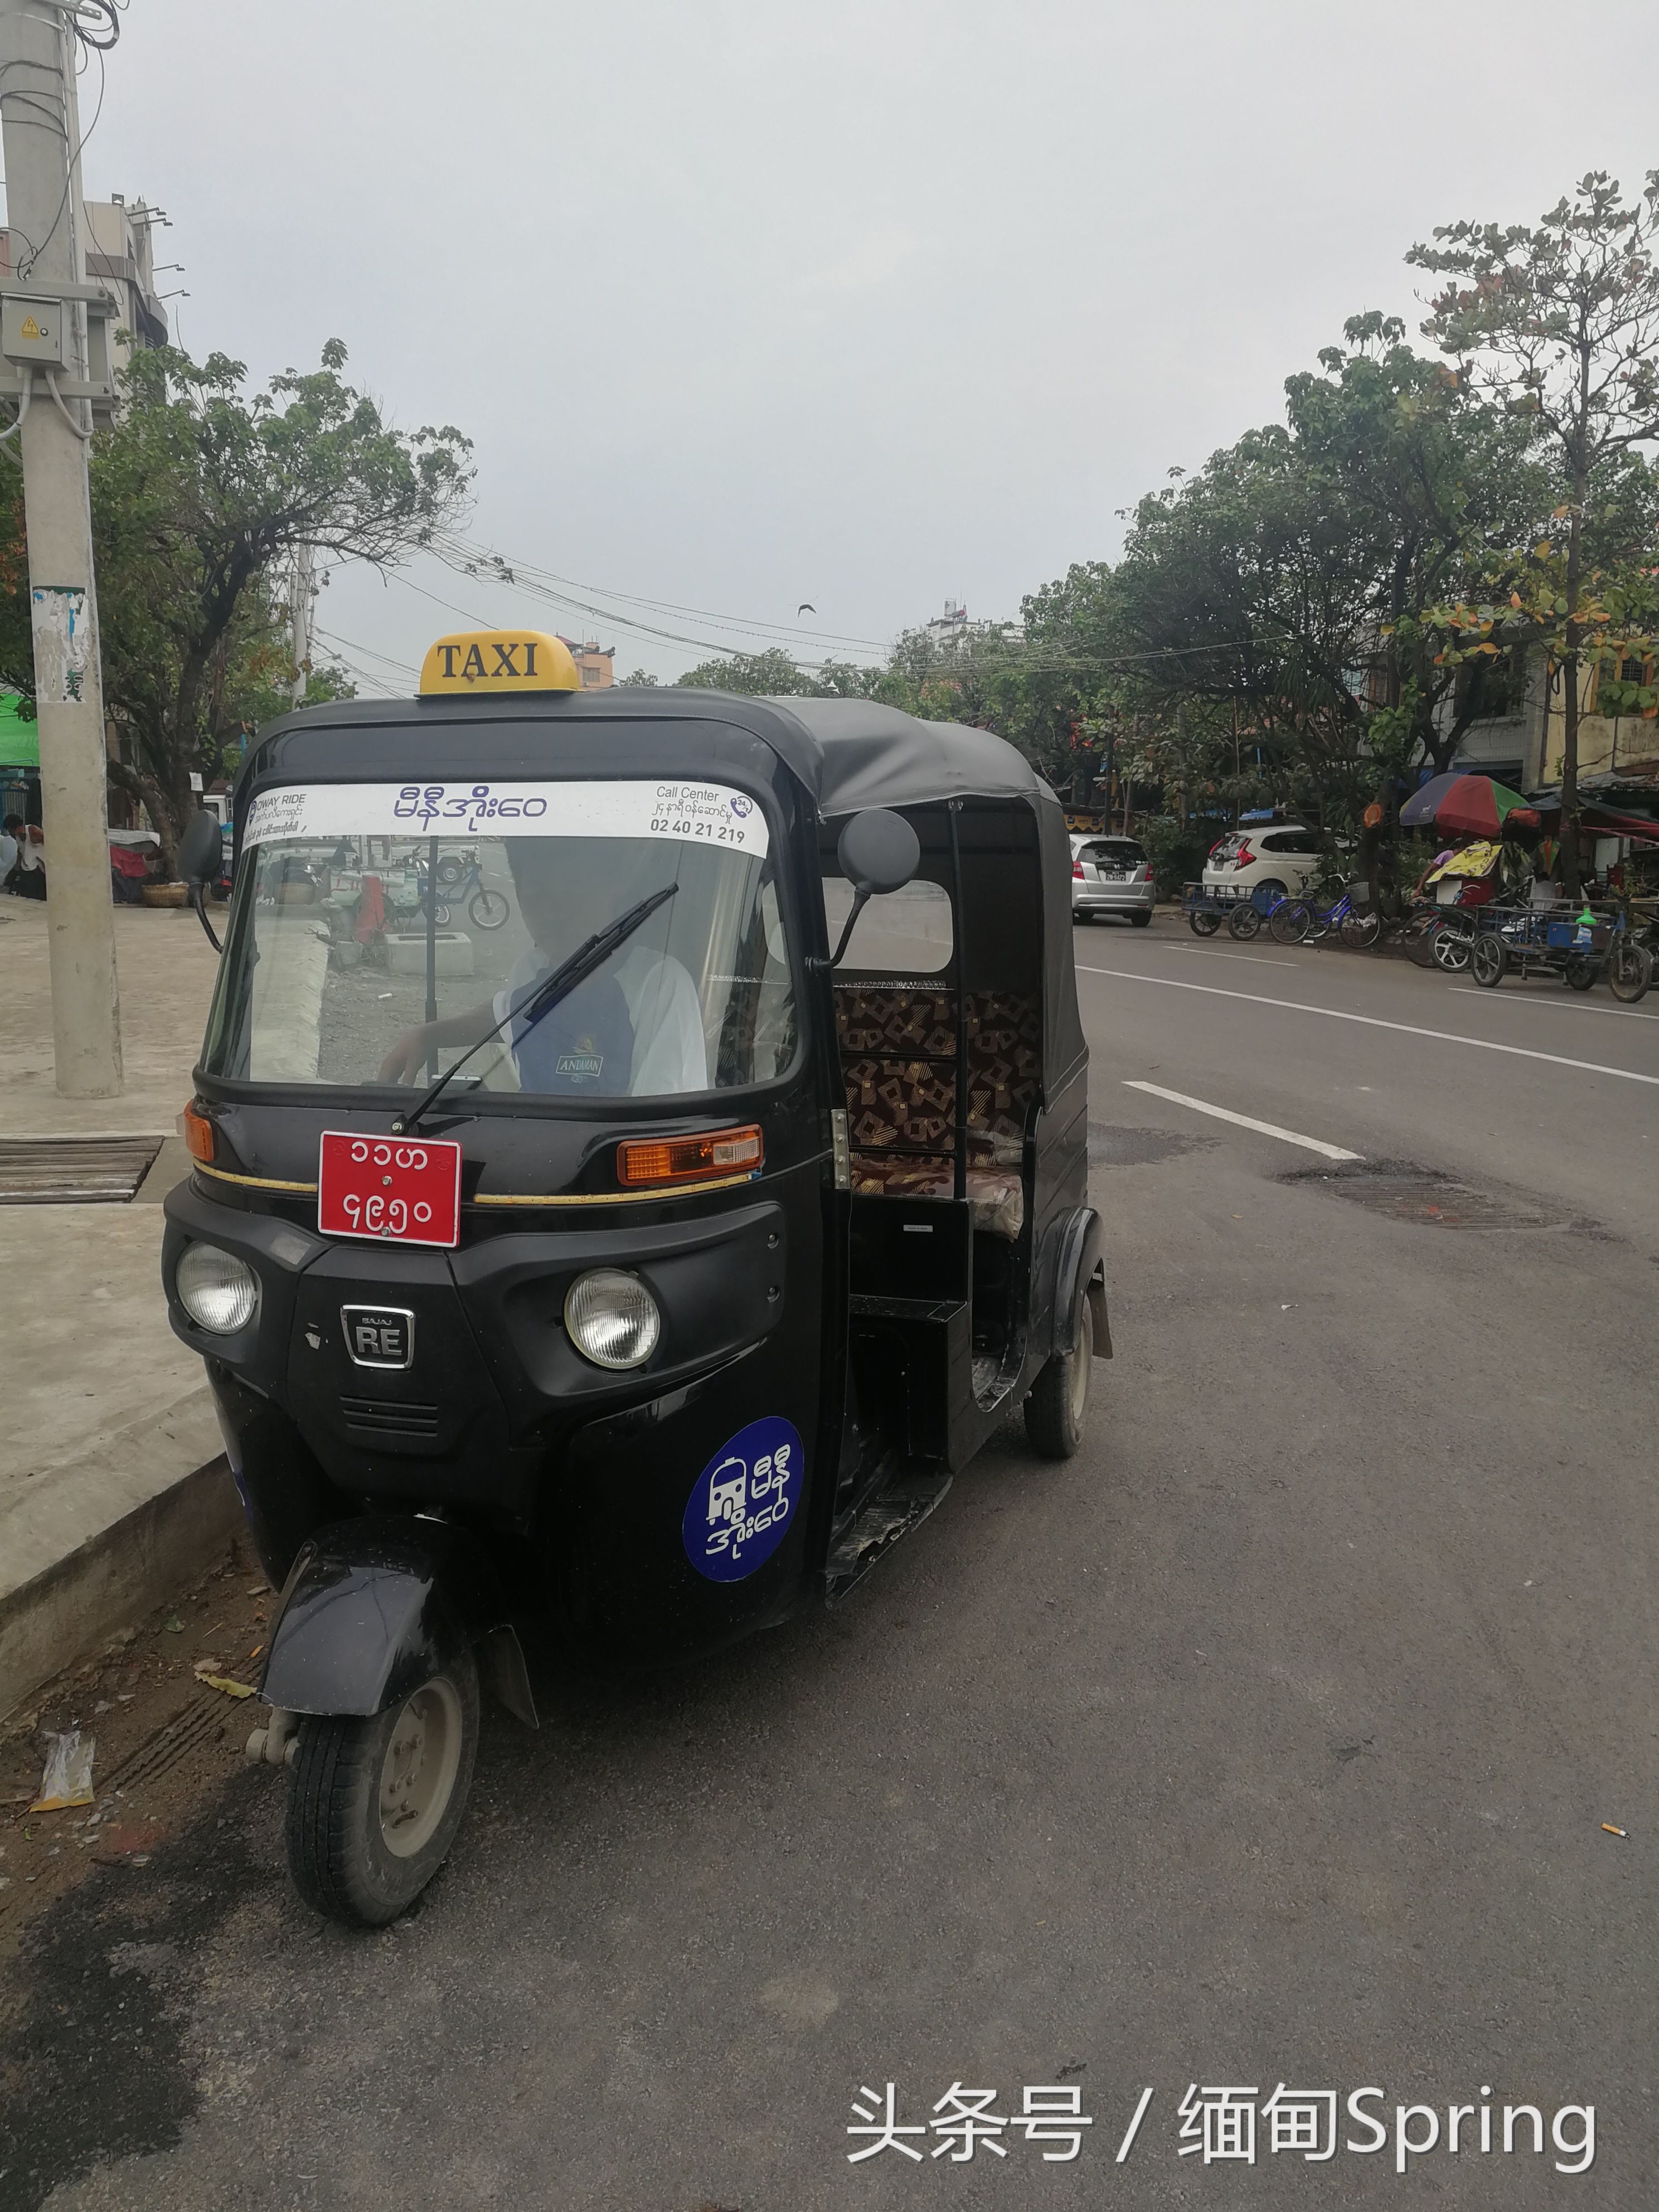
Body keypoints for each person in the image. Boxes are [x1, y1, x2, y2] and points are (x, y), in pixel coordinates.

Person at [377, 837, 708, 1096]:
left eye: (573, 894)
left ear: (612, 890)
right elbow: (504, 1012)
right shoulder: (531, 969)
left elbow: (655, 1121)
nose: (553, 914)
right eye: (537, 895)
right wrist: (427, 1035)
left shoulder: (660, 984)